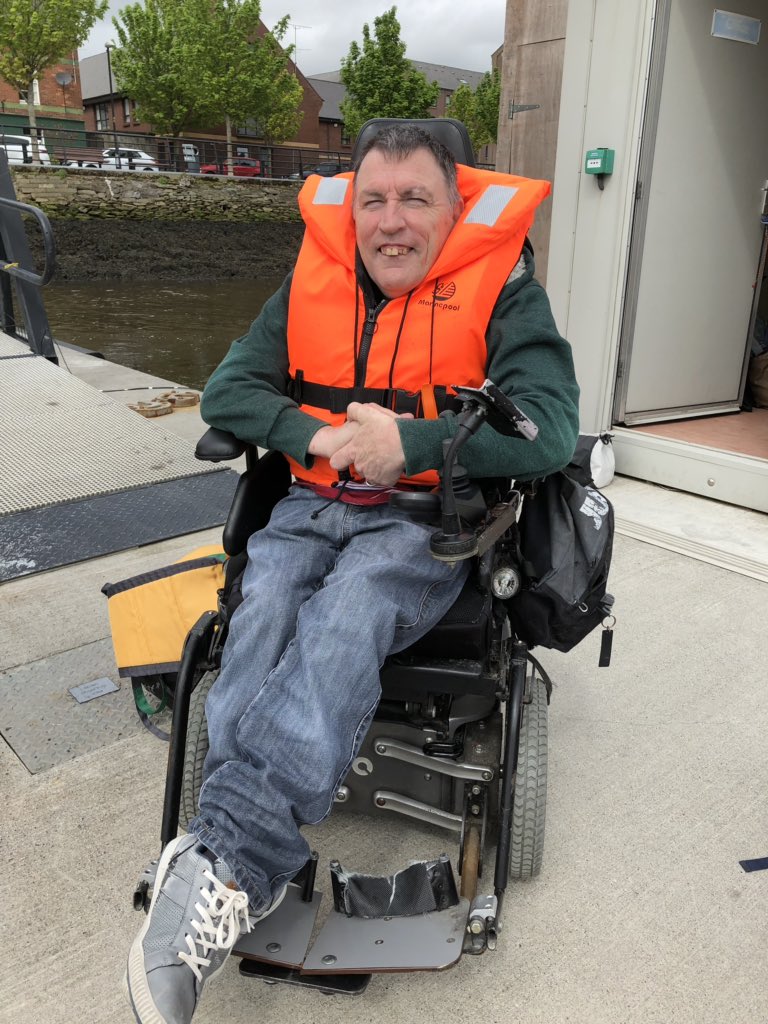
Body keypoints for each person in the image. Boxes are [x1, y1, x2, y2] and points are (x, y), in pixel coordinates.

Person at [124, 122, 580, 1024]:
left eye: (416, 199)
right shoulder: (311, 281)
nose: (391, 221)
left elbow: (550, 431)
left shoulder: (506, 293)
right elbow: (231, 394)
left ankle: (218, 864)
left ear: (455, 209)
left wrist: (408, 442)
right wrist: (320, 436)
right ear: (354, 208)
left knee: (352, 607)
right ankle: (227, 856)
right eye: (374, 200)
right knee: (259, 615)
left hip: (425, 519)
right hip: (308, 504)